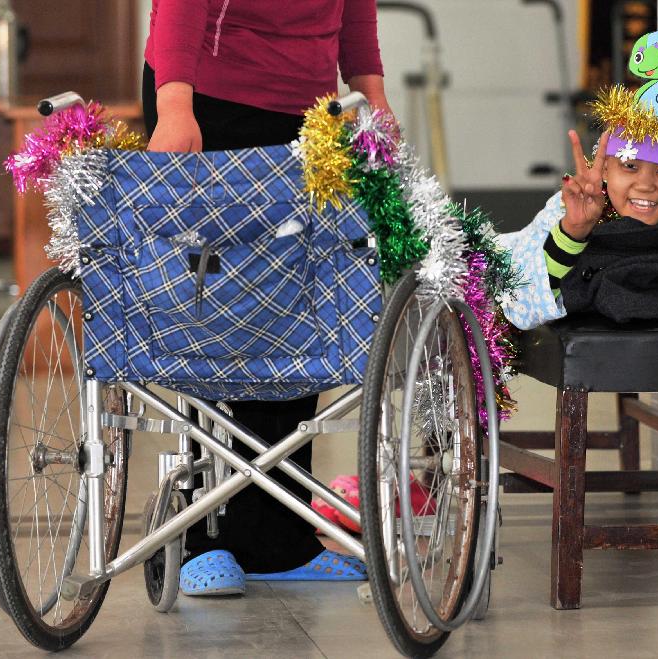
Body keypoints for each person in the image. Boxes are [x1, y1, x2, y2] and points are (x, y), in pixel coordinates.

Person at [142, 0, 390, 596]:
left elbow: (353, 8)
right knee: (220, 315)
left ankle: (280, 539)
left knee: (298, 311)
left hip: (310, 110)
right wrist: (175, 107)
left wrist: (371, 95)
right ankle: (206, 534)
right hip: (209, 98)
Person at [497, 35, 658, 330]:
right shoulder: (569, 207)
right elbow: (521, 298)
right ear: (606, 167)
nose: (644, 185)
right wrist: (574, 231)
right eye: (630, 166)